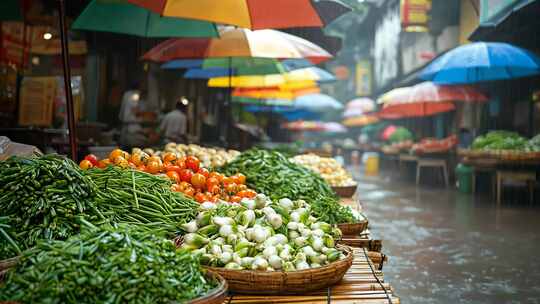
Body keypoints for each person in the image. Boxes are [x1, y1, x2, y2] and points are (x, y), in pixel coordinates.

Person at [118, 83, 146, 148]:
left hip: (125, 123)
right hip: (130, 124)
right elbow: (134, 109)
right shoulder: (135, 95)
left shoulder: (126, 93)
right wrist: (143, 115)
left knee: (123, 144)